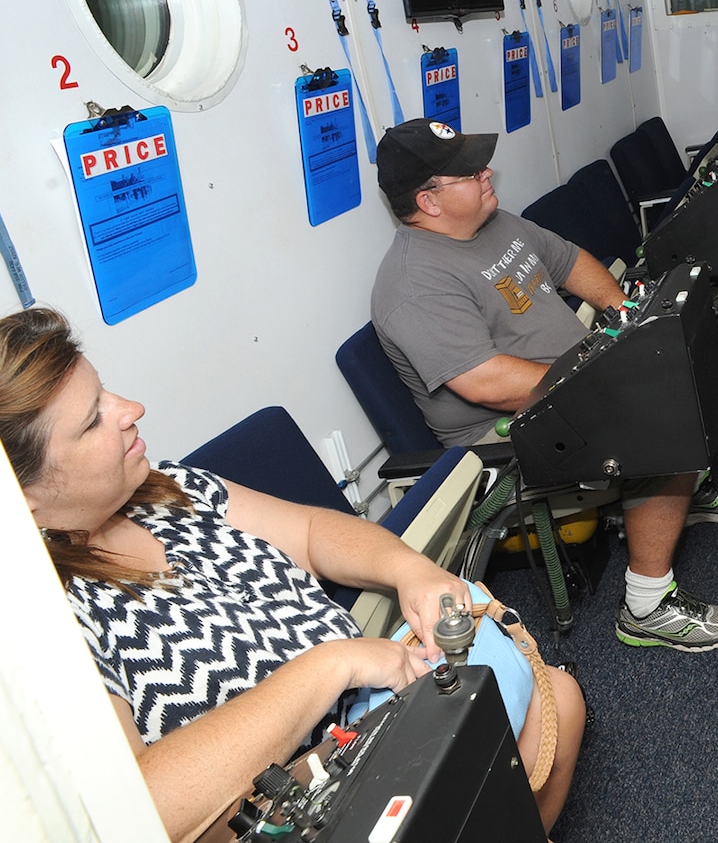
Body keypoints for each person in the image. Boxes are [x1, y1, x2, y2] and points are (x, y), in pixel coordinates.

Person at [2, 306, 585, 842]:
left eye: (106, 391)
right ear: (22, 496)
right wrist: (333, 665)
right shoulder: (46, 626)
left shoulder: (169, 489)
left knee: (561, 697)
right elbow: (142, 808)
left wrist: (410, 571)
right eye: (92, 421)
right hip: (290, 801)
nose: (131, 410)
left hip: (369, 709)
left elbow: (311, 533)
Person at [370, 118, 718, 652]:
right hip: (503, 430)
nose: (486, 173)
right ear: (429, 201)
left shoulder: (495, 223)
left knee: (671, 348)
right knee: (654, 406)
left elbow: (571, 261)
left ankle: (681, 493)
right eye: (467, 172)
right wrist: (605, 380)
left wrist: (624, 314)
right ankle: (646, 604)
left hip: (567, 377)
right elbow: (487, 383)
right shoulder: (414, 284)